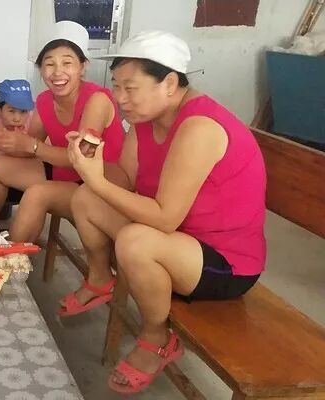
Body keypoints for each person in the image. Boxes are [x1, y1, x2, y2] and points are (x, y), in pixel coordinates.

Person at [65, 31, 266, 394]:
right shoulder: (147, 119)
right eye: (116, 86)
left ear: (170, 83)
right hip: (175, 240)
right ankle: (100, 277)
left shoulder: (200, 127)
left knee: (136, 240)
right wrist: (87, 163)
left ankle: (157, 338)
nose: (120, 98)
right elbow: (125, 177)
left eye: (130, 88)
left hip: (224, 261)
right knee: (86, 199)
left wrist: (97, 181)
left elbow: (163, 218)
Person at [0, 21, 125, 236]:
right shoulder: (44, 100)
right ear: (41, 69)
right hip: (64, 173)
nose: (58, 72)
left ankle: (11, 255)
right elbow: (29, 149)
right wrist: (4, 144)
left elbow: (80, 158)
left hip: (99, 183)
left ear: (82, 66)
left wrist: (31, 145)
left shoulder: (96, 100)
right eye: (49, 64)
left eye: (67, 63)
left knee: (37, 194)